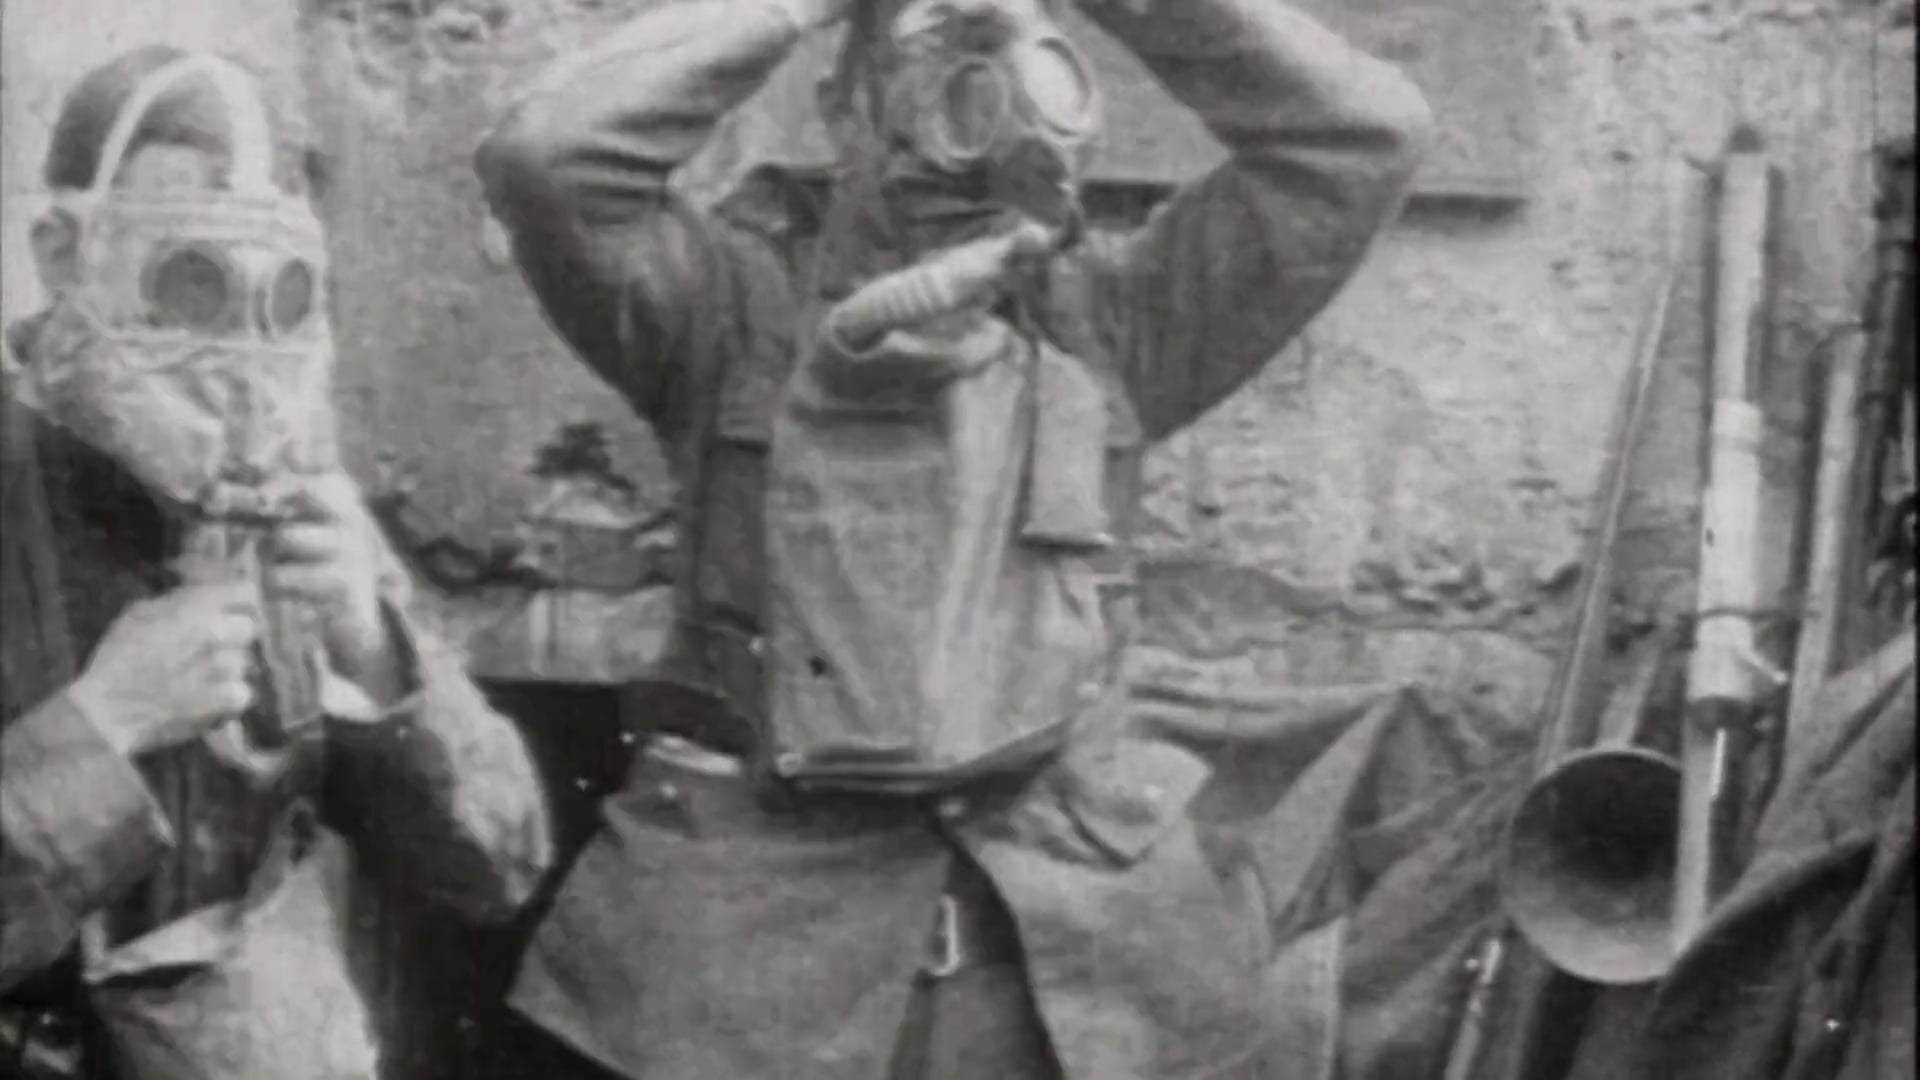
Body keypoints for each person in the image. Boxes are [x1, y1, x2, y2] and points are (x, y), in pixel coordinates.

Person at [476, 0, 1432, 1076]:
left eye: (1020, 70)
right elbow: (546, 160)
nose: (984, 111)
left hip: (1066, 970)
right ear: (845, 109)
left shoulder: (1111, 317)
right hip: (760, 979)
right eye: (934, 62)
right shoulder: (725, 311)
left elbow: (1364, 141)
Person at [0, 45, 552, 1080]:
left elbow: (499, 866)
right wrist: (104, 725)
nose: (234, 355)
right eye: (189, 280)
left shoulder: (296, 508)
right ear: (63, 255)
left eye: (282, 296)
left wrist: (376, 654)